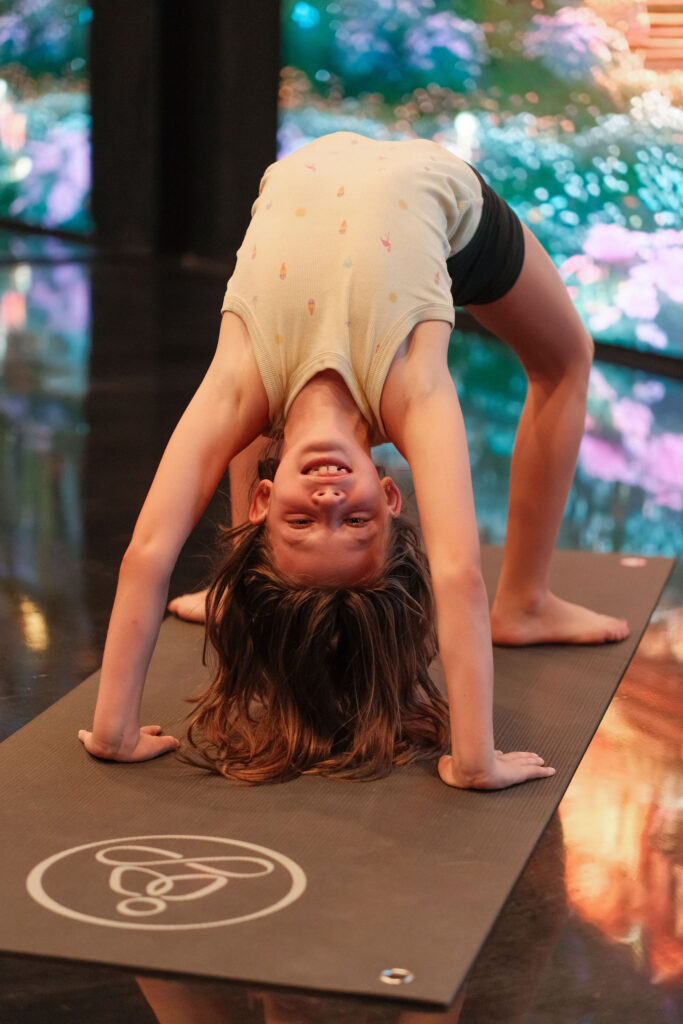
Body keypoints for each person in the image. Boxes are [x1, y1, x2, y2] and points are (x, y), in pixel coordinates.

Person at [78, 131, 629, 789]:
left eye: (301, 526)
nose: (328, 502)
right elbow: (456, 572)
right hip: (446, 204)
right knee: (566, 358)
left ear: (259, 507)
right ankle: (524, 604)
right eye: (358, 524)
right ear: (392, 498)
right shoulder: (412, 389)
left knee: (249, 419)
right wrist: (475, 759)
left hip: (310, 172)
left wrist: (114, 727)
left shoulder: (240, 382)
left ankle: (239, 588)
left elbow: (147, 553)